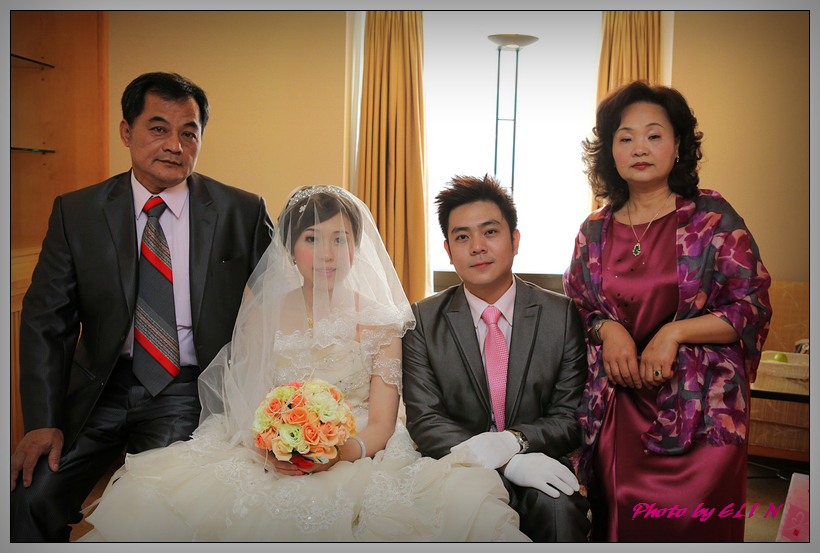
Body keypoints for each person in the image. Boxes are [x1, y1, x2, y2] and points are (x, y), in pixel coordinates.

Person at [77, 185, 529, 542]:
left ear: (356, 248)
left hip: (361, 452)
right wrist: (273, 448)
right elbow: (246, 404)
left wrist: (336, 453)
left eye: (340, 239)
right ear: (290, 250)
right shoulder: (261, 315)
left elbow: (383, 422)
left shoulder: (383, 321)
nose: (327, 253)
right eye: (312, 239)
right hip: (272, 453)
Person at [10, 72, 274, 542]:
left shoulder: (241, 210)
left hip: (187, 391)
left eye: (189, 133)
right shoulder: (77, 212)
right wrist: (43, 422)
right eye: (158, 128)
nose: (175, 145)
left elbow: (285, 291)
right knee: (29, 497)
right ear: (126, 132)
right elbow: (47, 322)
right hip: (99, 392)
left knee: (156, 508)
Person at [563, 81, 772, 542]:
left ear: (678, 146)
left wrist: (674, 334)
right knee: (622, 516)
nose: (640, 147)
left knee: (696, 528)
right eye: (625, 137)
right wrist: (607, 328)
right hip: (619, 404)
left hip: (704, 409)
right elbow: (577, 308)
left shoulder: (712, 218)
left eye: (654, 135)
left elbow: (750, 304)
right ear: (610, 151)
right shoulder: (593, 230)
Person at [402, 175, 591, 542]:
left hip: (539, 460)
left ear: (515, 240)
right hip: (456, 469)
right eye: (462, 237)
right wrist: (507, 460)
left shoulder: (561, 315)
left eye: (490, 232)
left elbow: (569, 416)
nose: (477, 247)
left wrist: (515, 442)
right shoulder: (422, 320)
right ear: (448, 251)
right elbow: (425, 420)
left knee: (559, 510)